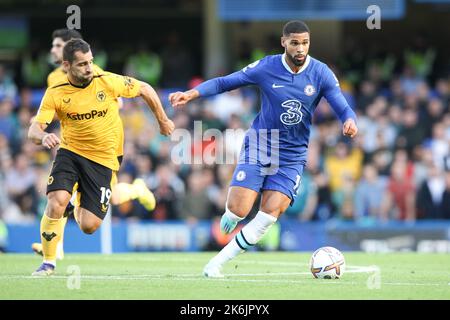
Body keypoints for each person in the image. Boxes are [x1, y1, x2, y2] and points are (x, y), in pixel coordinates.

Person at [169, 20, 358, 277]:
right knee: (239, 209)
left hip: (293, 153)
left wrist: (349, 120)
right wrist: (193, 94)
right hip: (262, 142)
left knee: (269, 215)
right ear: (284, 43)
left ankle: (216, 263)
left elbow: (342, 105)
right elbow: (227, 82)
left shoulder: (321, 72)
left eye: (305, 43)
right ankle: (232, 213)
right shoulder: (267, 67)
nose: (301, 48)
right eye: (295, 43)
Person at [28, 39, 174, 276]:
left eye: (91, 62)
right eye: (83, 64)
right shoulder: (55, 92)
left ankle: (136, 189)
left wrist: (163, 120)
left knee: (89, 225)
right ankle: (49, 262)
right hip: (71, 152)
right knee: (56, 200)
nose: (89, 68)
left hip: (104, 158)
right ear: (66, 65)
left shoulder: (105, 80)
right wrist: (43, 137)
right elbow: (34, 129)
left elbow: (145, 89)